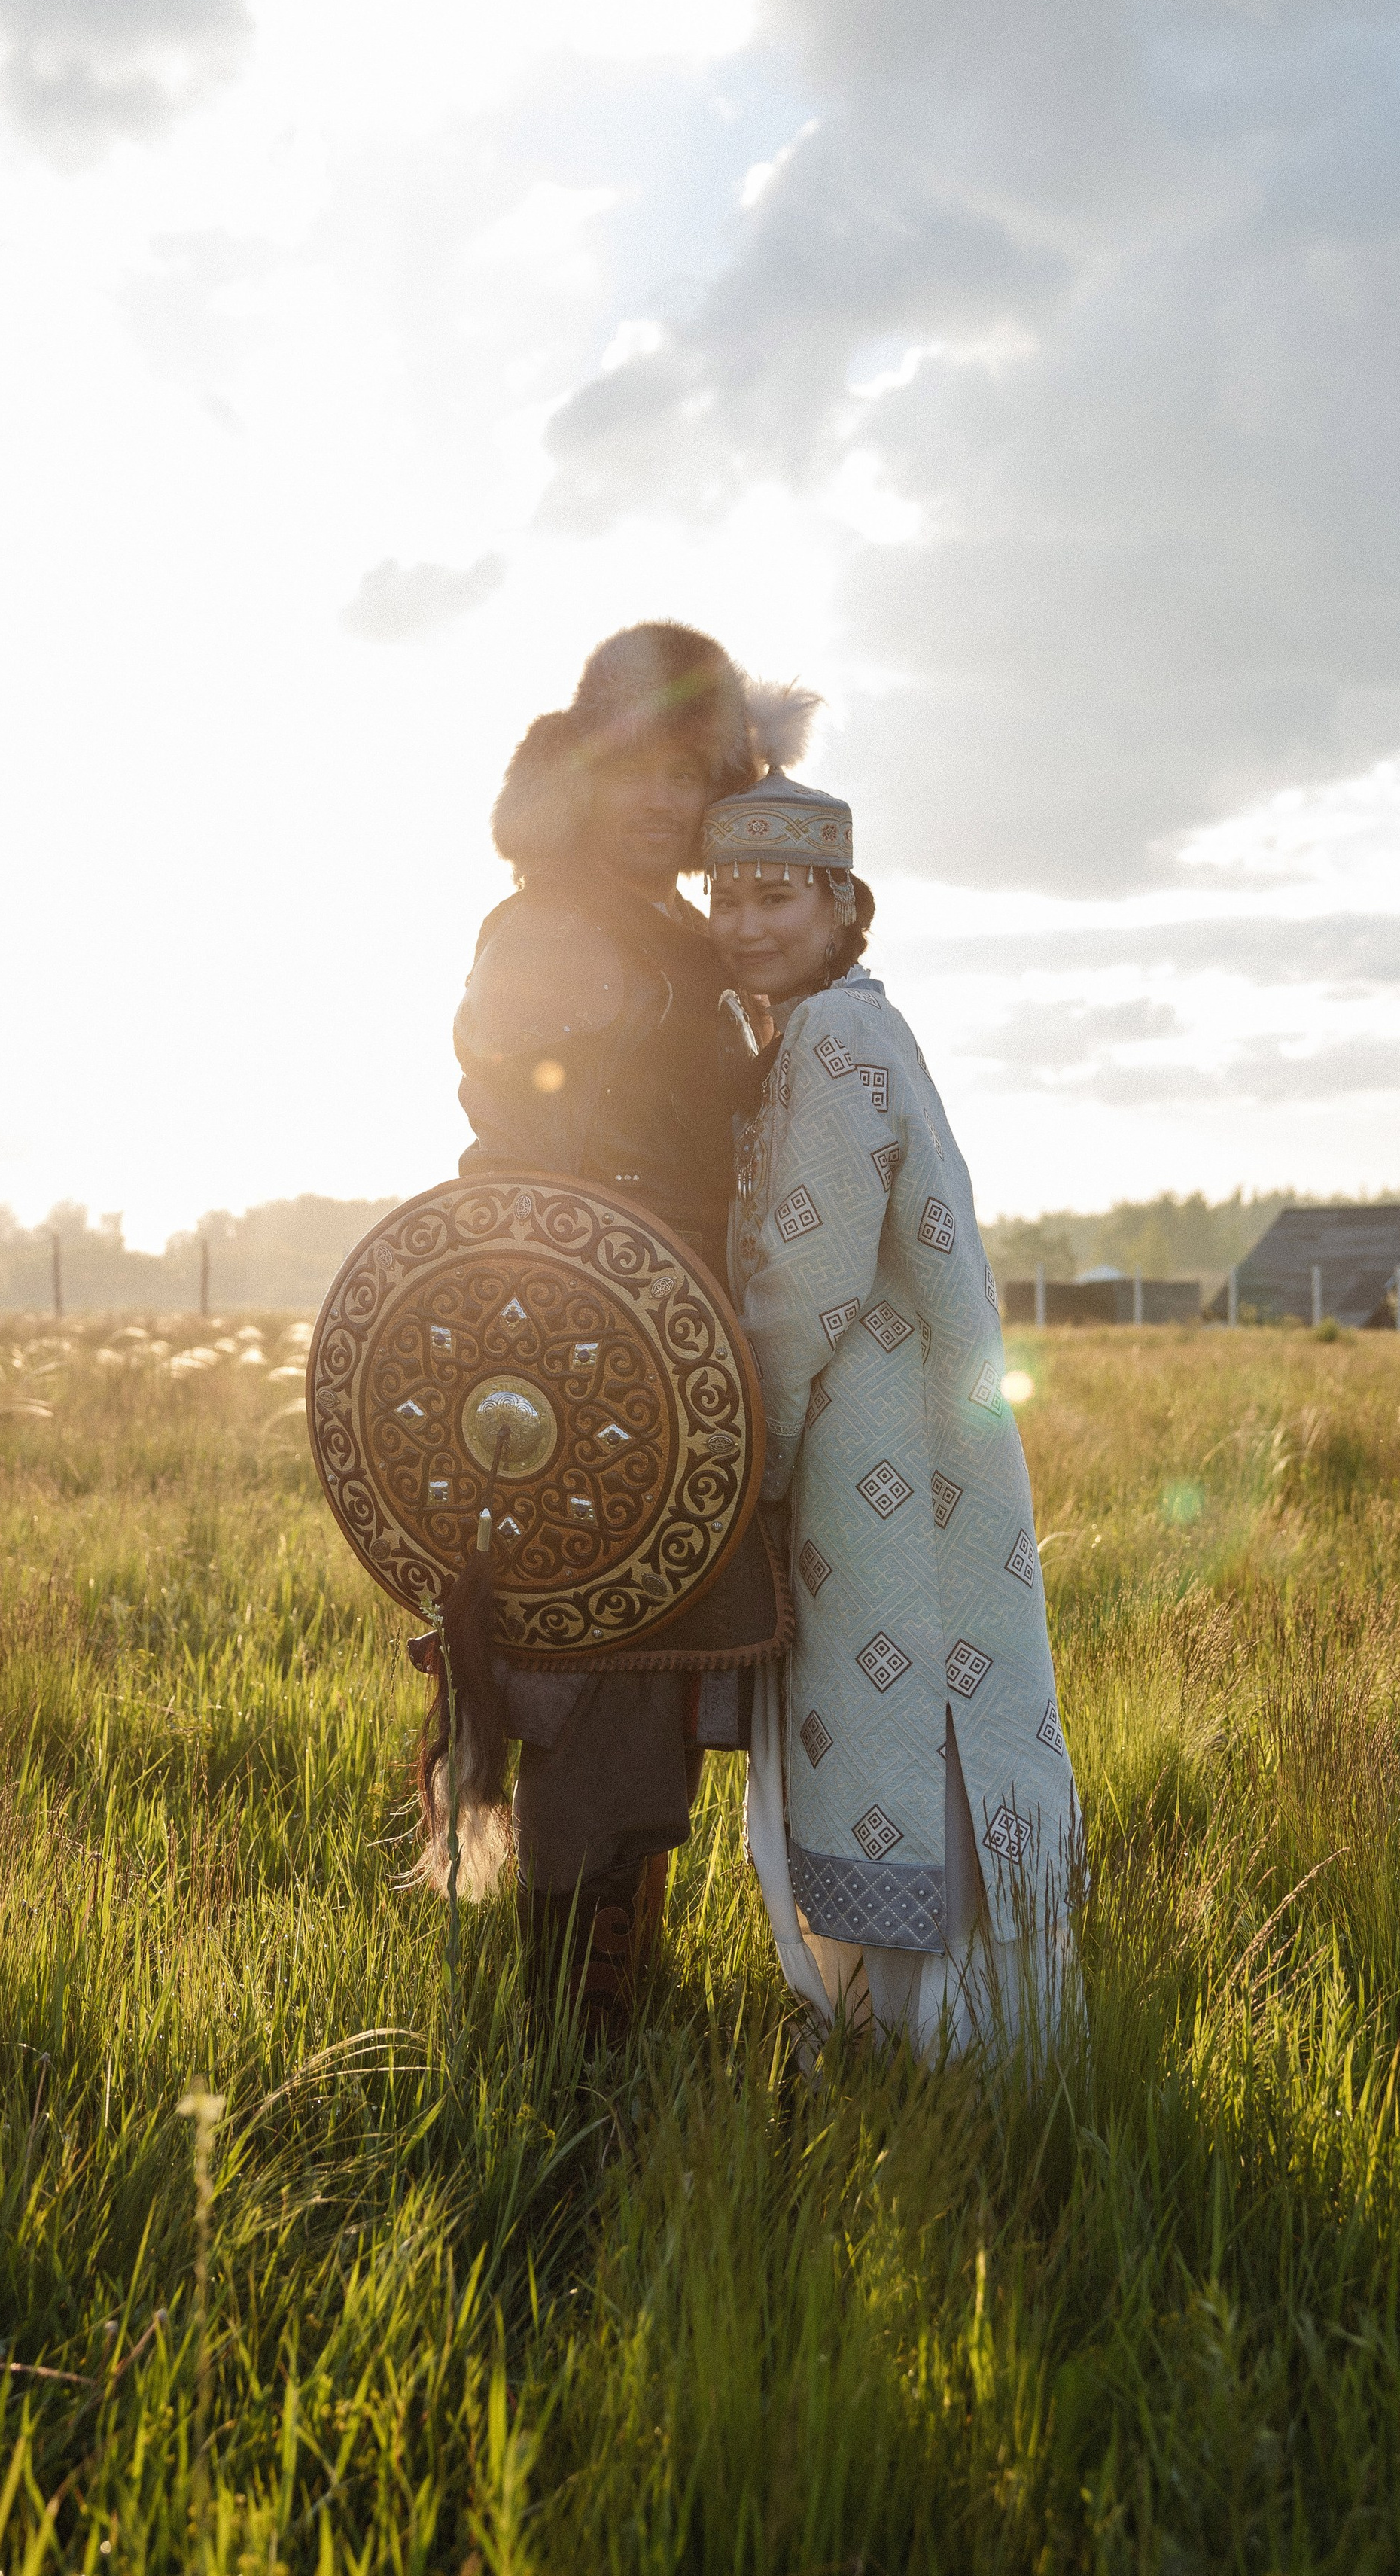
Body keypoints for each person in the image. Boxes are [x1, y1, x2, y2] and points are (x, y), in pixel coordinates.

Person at [442, 621, 814, 2037]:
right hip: (579, 1328)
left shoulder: (672, 925)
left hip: (675, 1325)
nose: (662, 800)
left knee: (650, 1662)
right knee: (597, 1660)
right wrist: (582, 1287)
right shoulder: (551, 921)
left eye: (692, 773)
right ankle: (570, 2015)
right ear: (585, 773)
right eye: (636, 770)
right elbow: (513, 1126)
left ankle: (615, 1974)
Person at [705, 766, 1081, 2064]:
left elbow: (801, 1281)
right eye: (726, 895)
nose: (746, 921)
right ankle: (936, 2042)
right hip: (918, 1460)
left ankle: (932, 2056)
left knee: (905, 1732)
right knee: (918, 1728)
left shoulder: (831, 1037)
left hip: (881, 1473)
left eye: (777, 895)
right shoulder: (842, 1026)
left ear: (842, 903)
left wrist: (746, 1463)